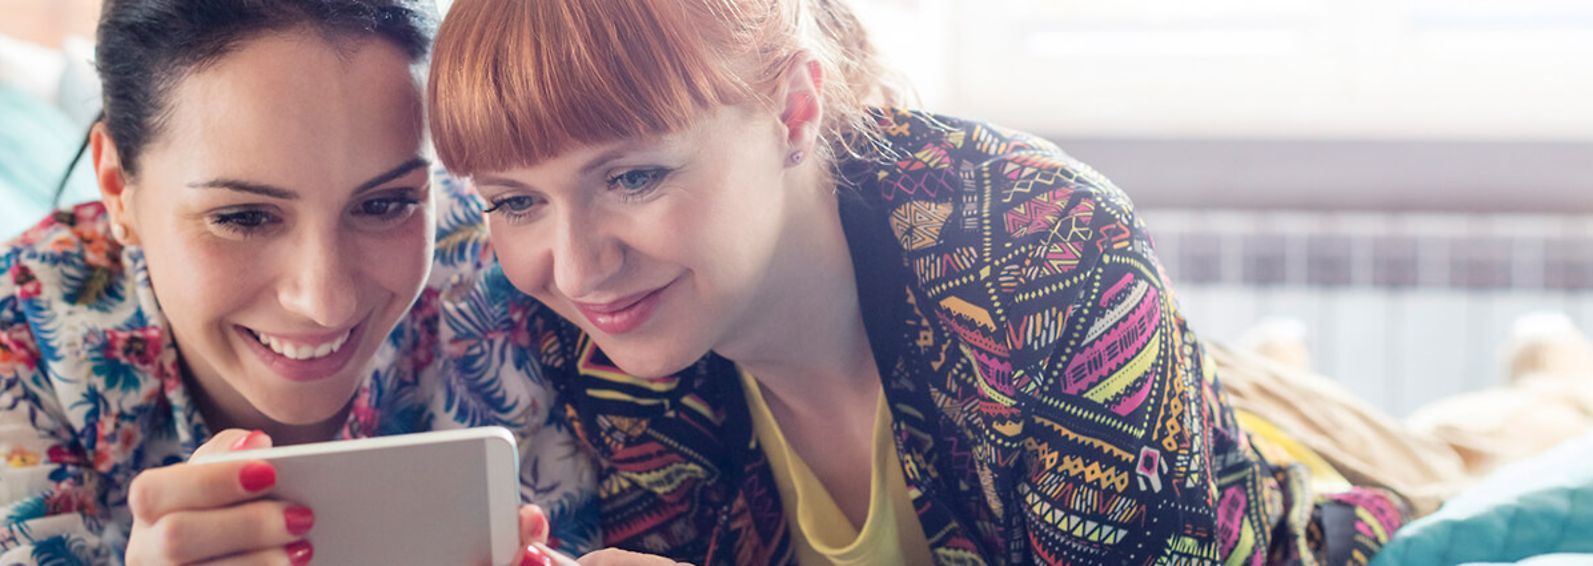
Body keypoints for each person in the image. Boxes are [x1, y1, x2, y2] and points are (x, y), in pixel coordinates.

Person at [426, 0, 1405, 564]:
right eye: (516, 201)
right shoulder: (562, 318)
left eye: (634, 175)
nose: (578, 263)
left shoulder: (1047, 254)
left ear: (795, 108)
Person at [0, 1, 591, 564]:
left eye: (386, 205)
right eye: (244, 217)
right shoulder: (22, 335)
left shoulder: (530, 270)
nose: (325, 301)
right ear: (114, 188)